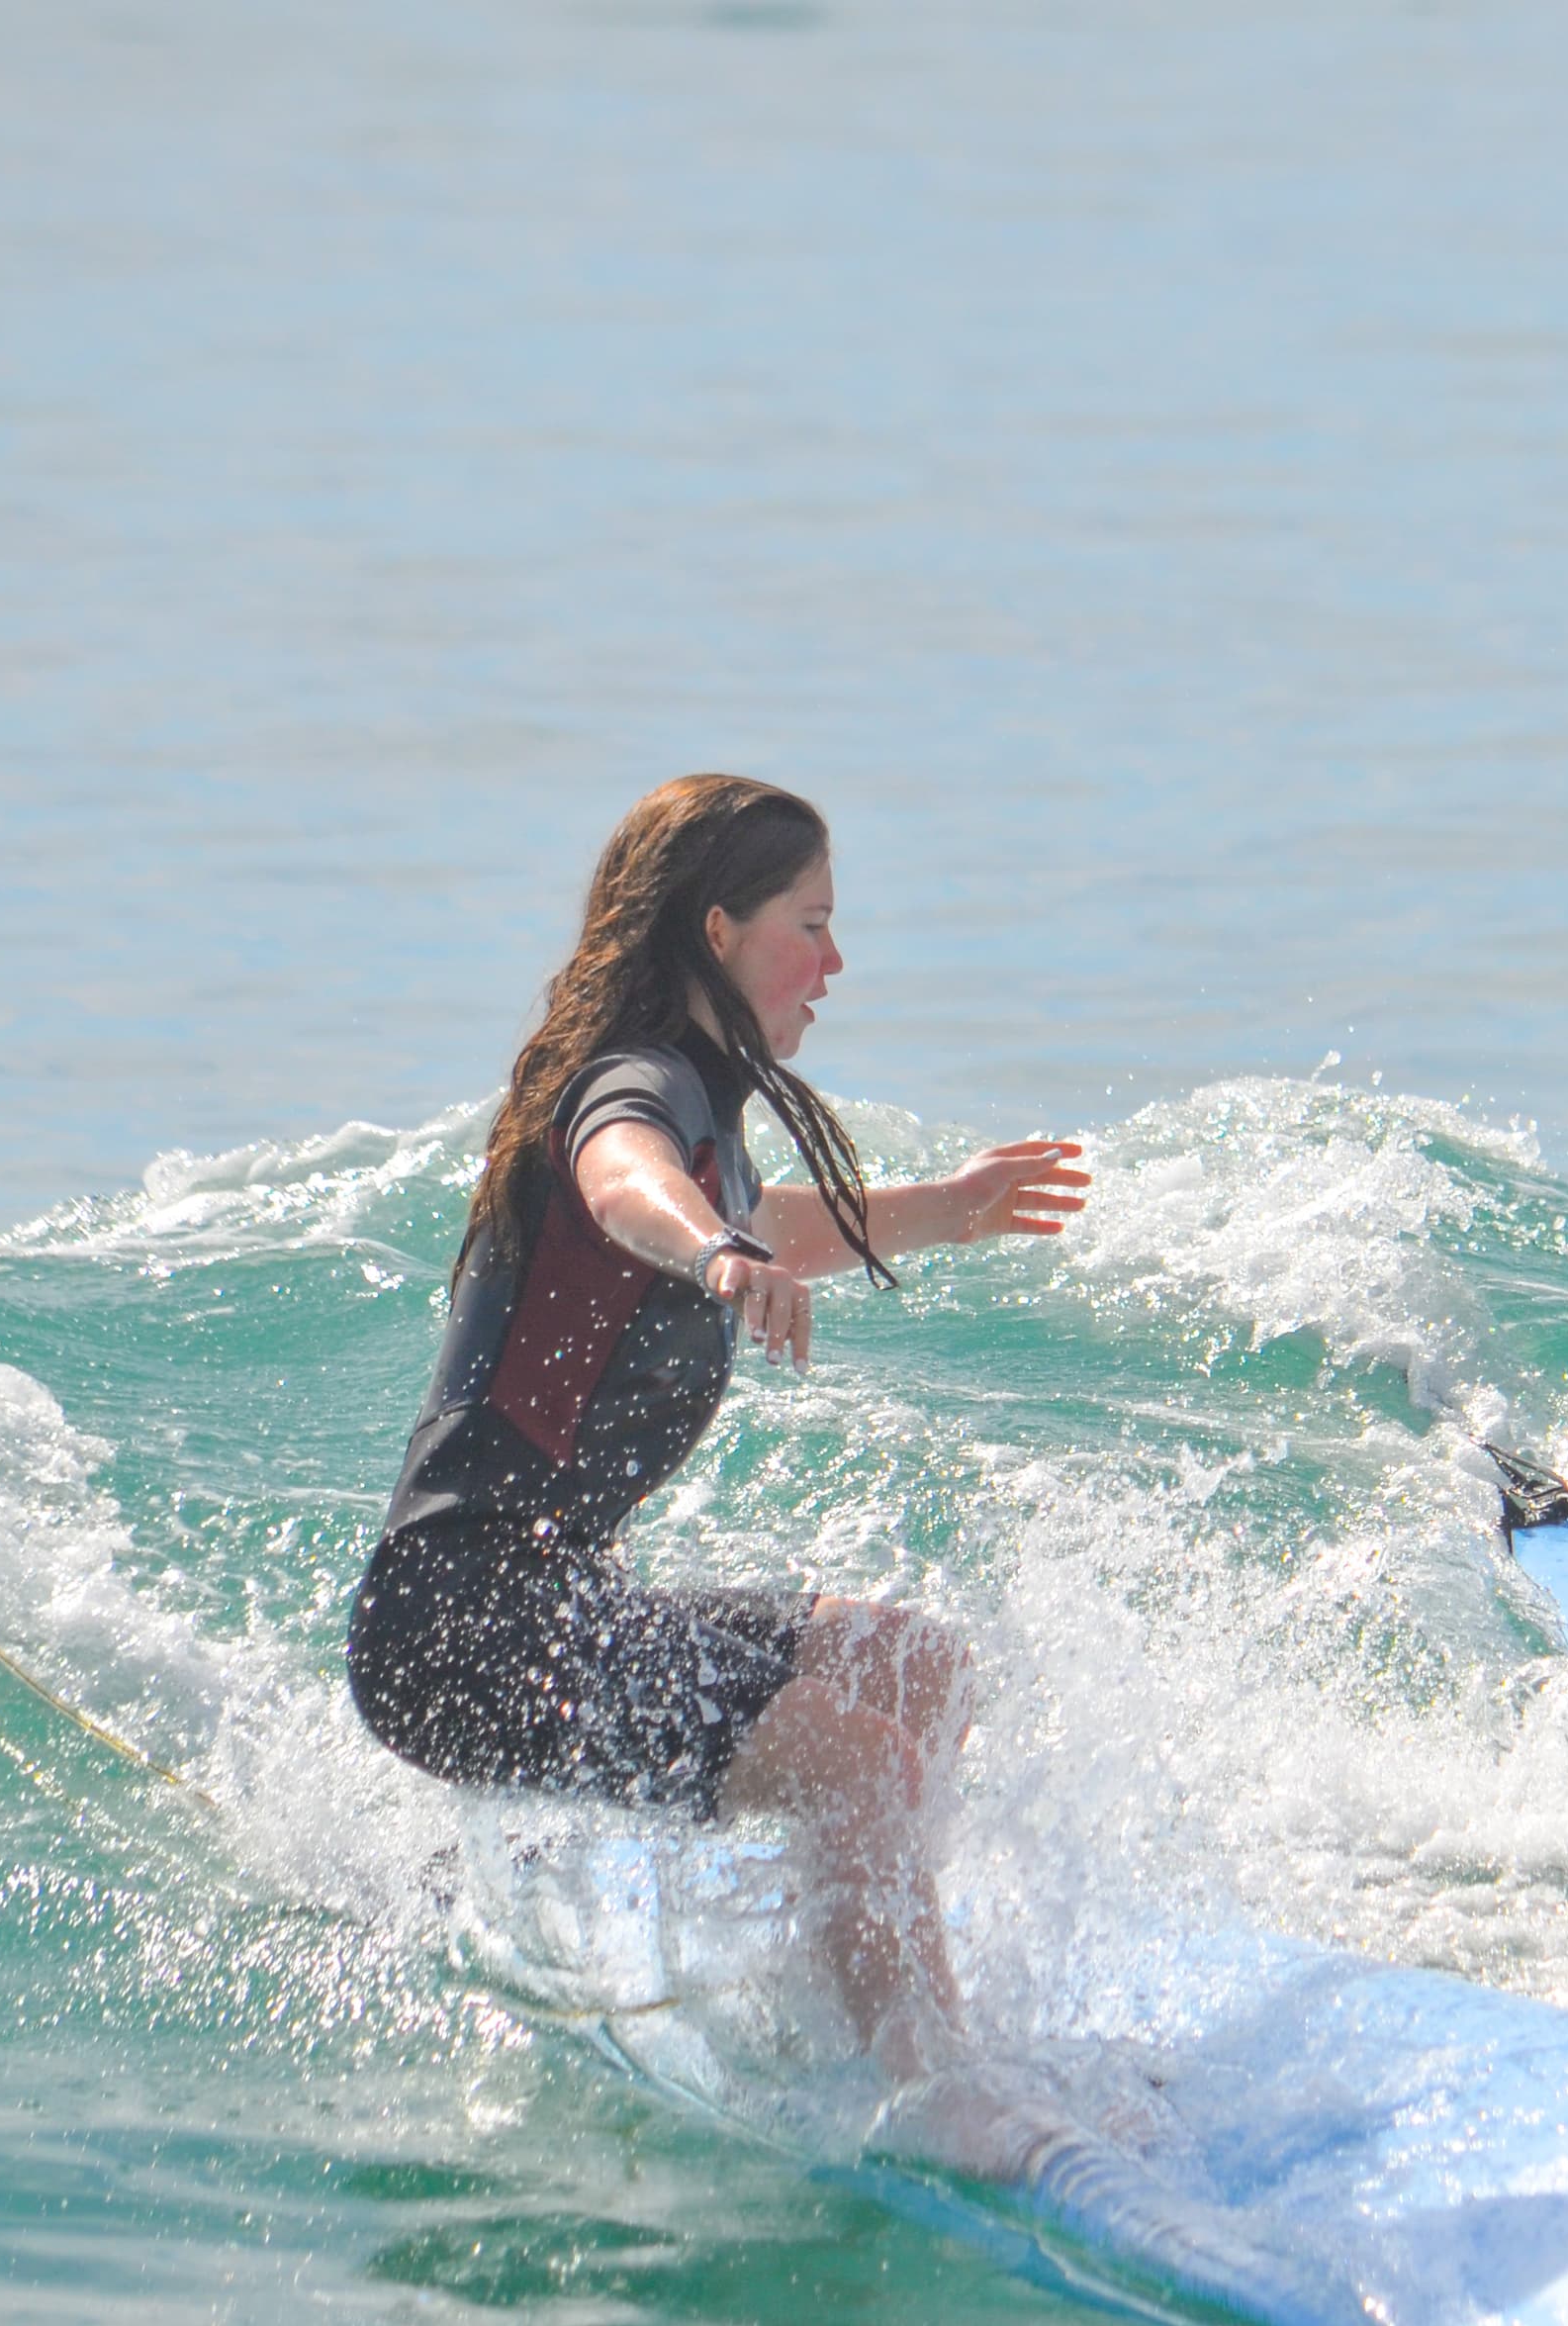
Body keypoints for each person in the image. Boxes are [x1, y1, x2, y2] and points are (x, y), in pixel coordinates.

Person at [347, 774, 1088, 2068]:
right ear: (719, 932)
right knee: (862, 1765)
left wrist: (950, 1209)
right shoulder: (635, 1085)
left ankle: (851, 1967)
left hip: (554, 1602)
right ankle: (926, 2076)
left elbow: (761, 1213)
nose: (835, 959)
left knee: (921, 1670)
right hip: (459, 1628)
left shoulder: (709, 1117)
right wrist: (715, 1259)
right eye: (810, 921)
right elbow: (620, 1173)